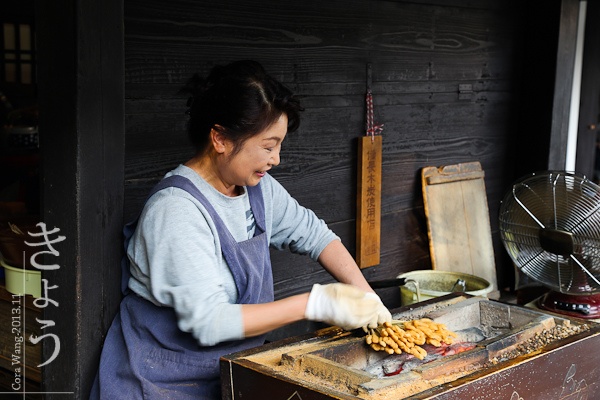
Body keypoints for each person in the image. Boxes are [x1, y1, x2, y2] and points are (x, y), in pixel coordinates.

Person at [90, 60, 391, 400]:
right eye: (267, 146)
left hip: (228, 374)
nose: (276, 158)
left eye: (279, 145)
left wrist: (367, 297)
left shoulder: (259, 189)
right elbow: (210, 322)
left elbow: (314, 234)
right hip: (161, 384)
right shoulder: (176, 210)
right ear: (219, 138)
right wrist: (315, 304)